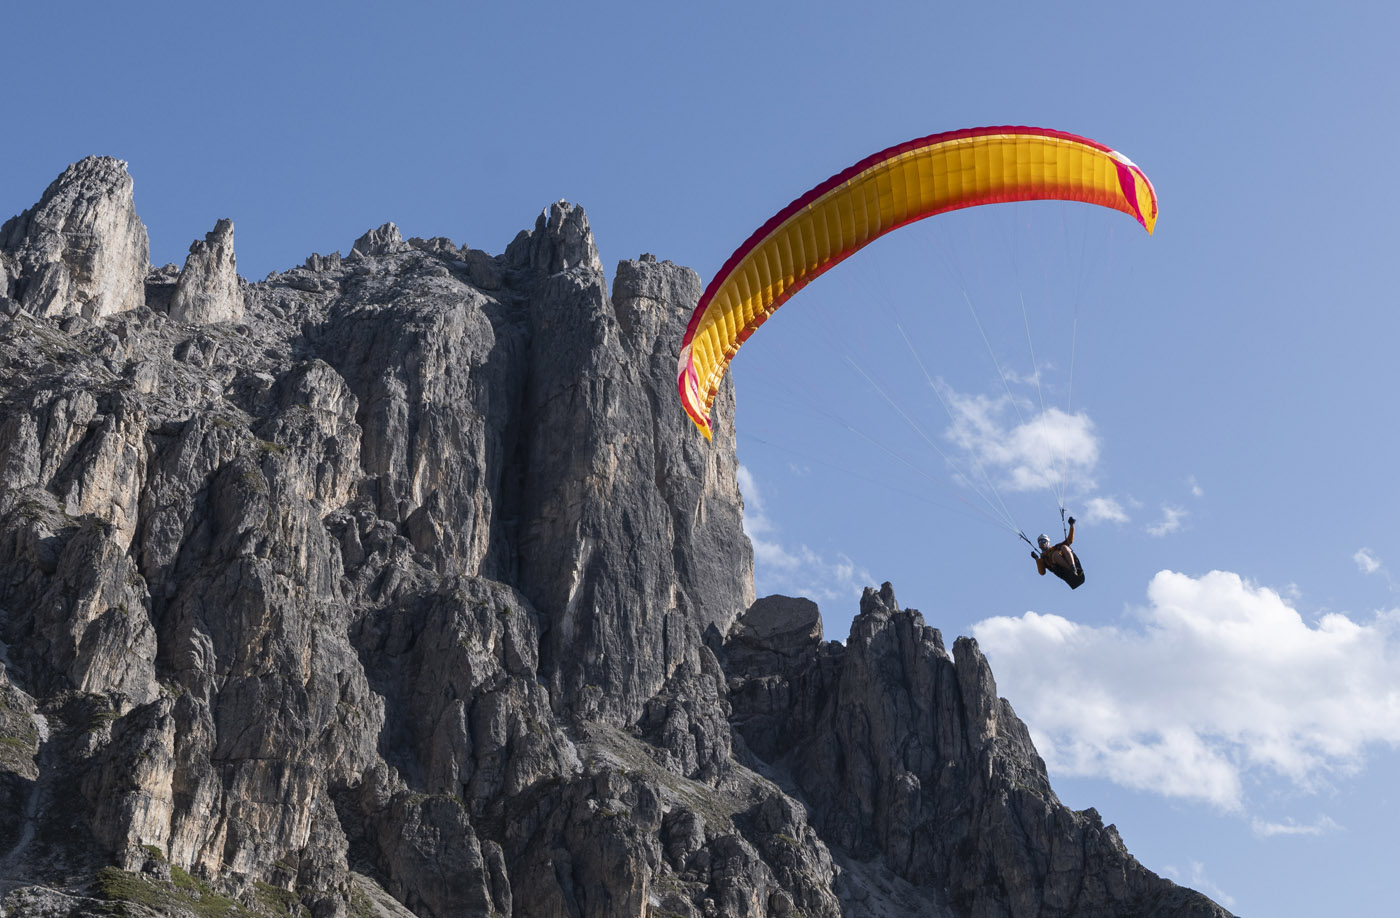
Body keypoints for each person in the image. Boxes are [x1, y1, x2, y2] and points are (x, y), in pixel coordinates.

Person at [1032, 517, 1084, 589]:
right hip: (1059, 569)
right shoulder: (1043, 558)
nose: (1041, 543)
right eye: (1040, 542)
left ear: (1047, 542)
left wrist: (1072, 525)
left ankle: (1073, 568)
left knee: (1064, 547)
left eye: (1043, 541)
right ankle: (1071, 569)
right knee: (1055, 555)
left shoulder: (1056, 547)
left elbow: (1069, 540)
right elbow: (1042, 573)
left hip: (1068, 561)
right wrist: (1037, 559)